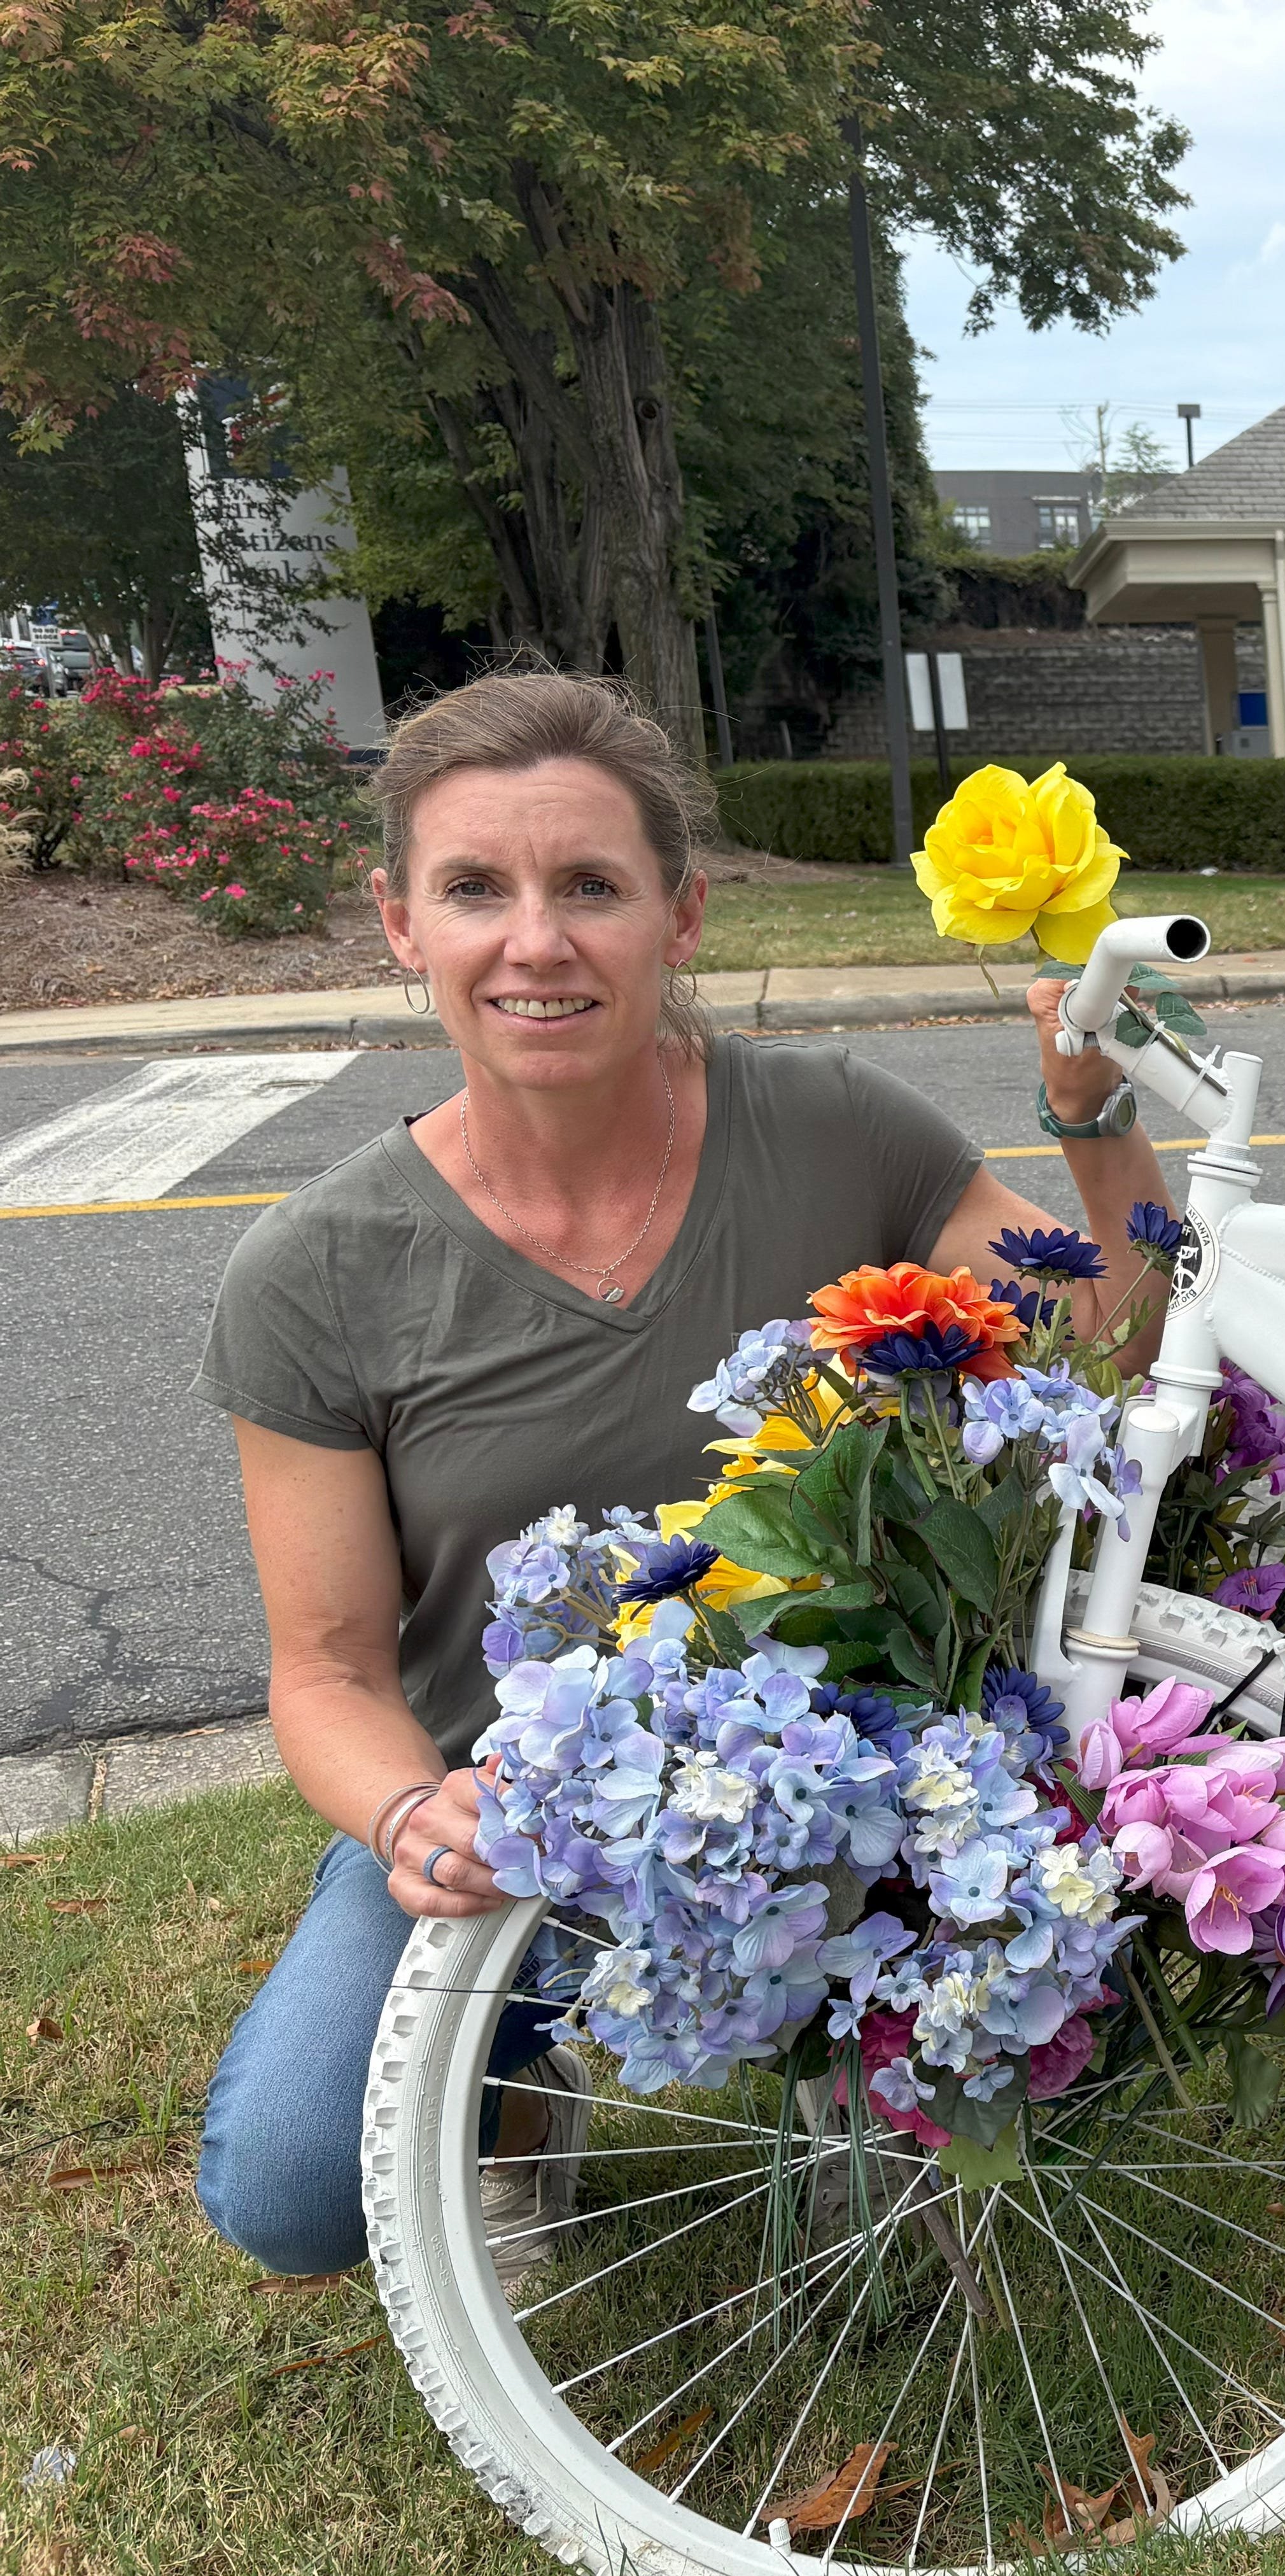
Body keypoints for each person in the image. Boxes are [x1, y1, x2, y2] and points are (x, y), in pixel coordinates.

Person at [190, 668, 1178, 2279]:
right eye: (475, 891)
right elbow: (326, 1670)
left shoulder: (838, 1130)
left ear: (683, 916)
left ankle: (860, 2078)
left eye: (592, 886)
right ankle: (521, 2100)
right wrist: (407, 1815)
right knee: (297, 2189)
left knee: (1040, 2068)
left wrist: (1095, 1107)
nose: (538, 941)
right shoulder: (312, 1273)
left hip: (851, 1780)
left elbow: (1109, 1345)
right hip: (515, 1810)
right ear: (399, 926)